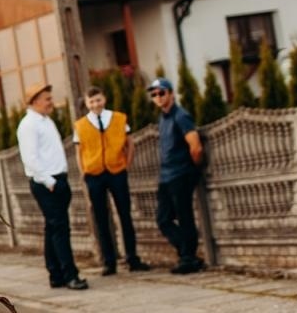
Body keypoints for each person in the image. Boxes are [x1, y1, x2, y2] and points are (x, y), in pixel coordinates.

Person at [16, 82, 87, 290]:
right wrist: (50, 182)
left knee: (52, 228)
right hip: (46, 183)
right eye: (47, 99)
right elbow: (30, 158)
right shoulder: (29, 125)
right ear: (35, 101)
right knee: (60, 229)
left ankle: (55, 275)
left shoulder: (46, 121)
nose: (51, 102)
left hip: (57, 180)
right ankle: (70, 275)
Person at [73, 84, 150, 275]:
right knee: (101, 218)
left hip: (117, 171)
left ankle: (132, 258)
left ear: (104, 99)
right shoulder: (80, 125)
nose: (95, 104)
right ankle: (109, 262)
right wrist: (84, 172)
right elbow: (78, 151)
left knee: (125, 215)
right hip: (94, 174)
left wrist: (127, 164)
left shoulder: (118, 118)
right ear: (87, 103)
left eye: (98, 99)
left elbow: (129, 143)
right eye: (91, 101)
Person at [147, 76, 206, 274]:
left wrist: (193, 169)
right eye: (154, 94)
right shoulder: (162, 118)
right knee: (163, 219)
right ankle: (187, 252)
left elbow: (195, 146)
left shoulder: (181, 116)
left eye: (162, 92)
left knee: (184, 216)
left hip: (181, 174)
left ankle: (188, 258)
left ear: (171, 94)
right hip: (166, 176)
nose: (158, 97)